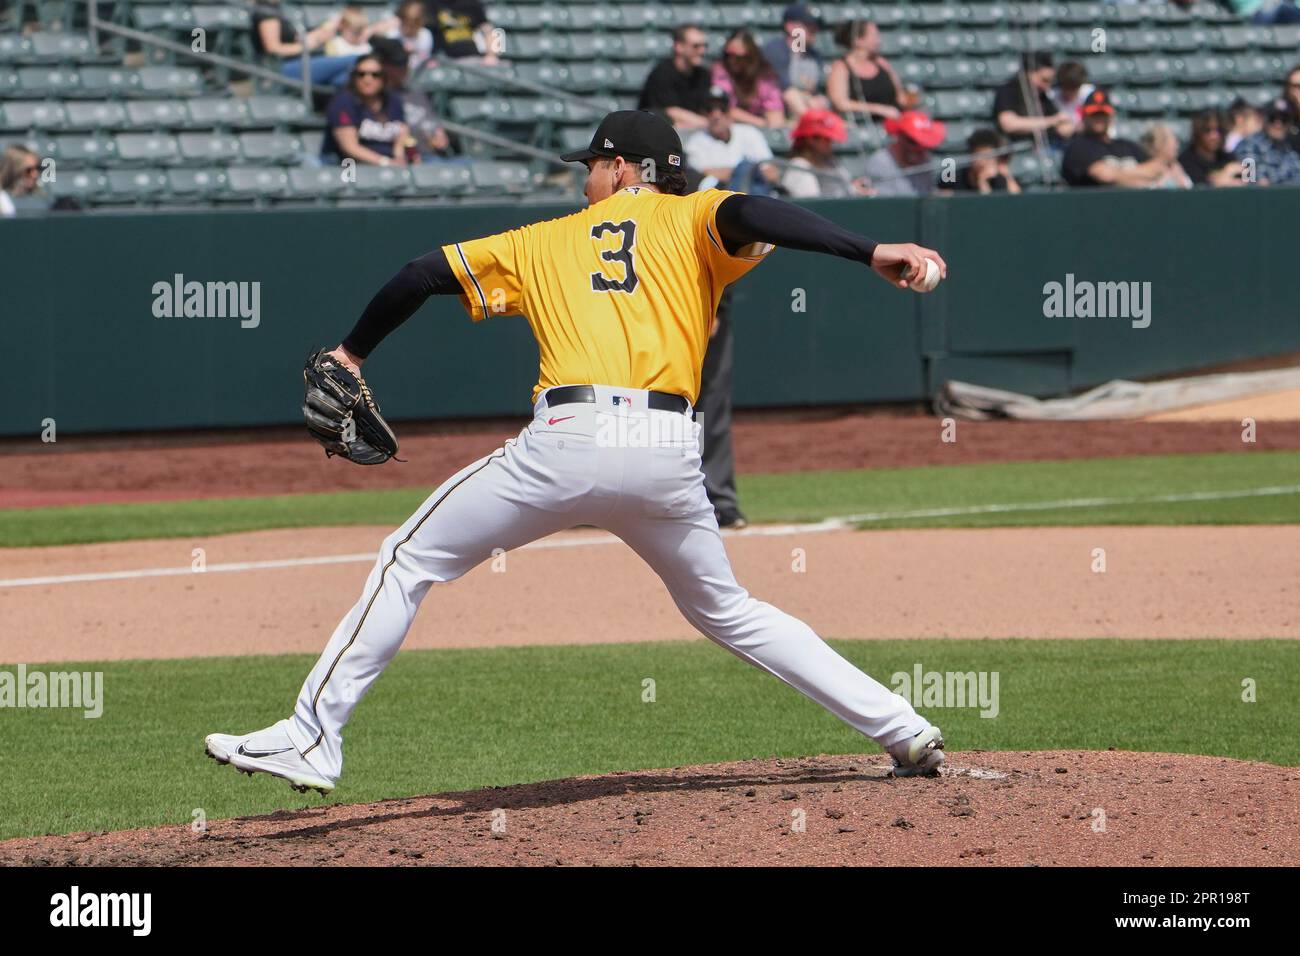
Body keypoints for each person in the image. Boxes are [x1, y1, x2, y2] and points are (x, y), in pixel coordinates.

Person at [204, 108, 951, 796]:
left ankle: (311, 738)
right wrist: (870, 250)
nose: (583, 177)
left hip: (571, 442)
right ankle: (901, 728)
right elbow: (756, 211)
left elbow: (421, 274)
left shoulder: (543, 240)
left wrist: (353, 353)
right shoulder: (696, 218)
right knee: (728, 609)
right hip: (666, 451)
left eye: (591, 165)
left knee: (409, 559)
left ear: (624, 168)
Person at [1061, 89, 1177, 187]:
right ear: (1084, 116)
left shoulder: (1126, 145)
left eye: (1103, 114)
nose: (1099, 118)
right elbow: (1104, 175)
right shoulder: (1078, 147)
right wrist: (1142, 179)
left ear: (1111, 116)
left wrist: (1119, 174)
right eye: (1094, 114)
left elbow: (1158, 168)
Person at [371, 37, 457, 160]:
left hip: (432, 154)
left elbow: (432, 121)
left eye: (406, 62)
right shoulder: (376, 97)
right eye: (397, 64)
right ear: (383, 65)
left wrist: (439, 133)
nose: (404, 68)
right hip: (406, 158)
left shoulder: (415, 91)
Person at [321, 54, 411, 166]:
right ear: (354, 77)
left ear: (383, 78)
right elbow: (350, 148)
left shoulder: (392, 100)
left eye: (375, 75)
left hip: (391, 164)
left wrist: (399, 156)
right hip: (353, 167)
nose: (367, 79)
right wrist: (386, 162)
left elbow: (402, 130)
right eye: (361, 74)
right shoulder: (342, 102)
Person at [684, 89, 779, 193]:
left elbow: (772, 173)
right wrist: (748, 172)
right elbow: (702, 177)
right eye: (709, 109)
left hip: (756, 193)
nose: (716, 115)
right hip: (721, 198)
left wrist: (735, 172)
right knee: (745, 168)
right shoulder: (695, 142)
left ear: (730, 112)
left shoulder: (749, 132)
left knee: (746, 169)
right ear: (704, 113)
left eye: (722, 109)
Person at [251, 1, 356, 87]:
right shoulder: (266, 10)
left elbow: (296, 40)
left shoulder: (280, 8)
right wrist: (306, 46)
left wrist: (318, 35)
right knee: (358, 60)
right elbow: (273, 49)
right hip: (280, 67)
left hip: (301, 61)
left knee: (345, 78)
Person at [826, 20, 909, 121]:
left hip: (894, 122)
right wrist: (879, 109)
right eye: (874, 36)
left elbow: (900, 97)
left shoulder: (882, 63)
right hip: (862, 126)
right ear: (858, 40)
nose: (879, 40)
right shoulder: (841, 67)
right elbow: (840, 103)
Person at [780, 108, 872, 197]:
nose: (831, 143)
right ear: (810, 139)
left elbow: (846, 188)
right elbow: (812, 204)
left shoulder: (830, 162)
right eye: (826, 139)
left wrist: (855, 190)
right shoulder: (799, 166)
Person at [638, 24, 713, 131]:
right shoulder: (662, 73)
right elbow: (670, 111)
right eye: (696, 46)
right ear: (678, 47)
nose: (702, 51)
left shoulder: (703, 75)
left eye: (704, 46)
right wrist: (707, 123)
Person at [993, 51, 1075, 145]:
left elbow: (1063, 126)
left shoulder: (1042, 96)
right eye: (1044, 80)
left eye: (1050, 82)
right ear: (1029, 73)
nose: (1047, 86)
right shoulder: (1008, 90)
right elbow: (1008, 123)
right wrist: (1051, 121)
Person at [761, 4, 826, 119]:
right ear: (790, 26)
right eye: (807, 25)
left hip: (807, 108)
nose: (814, 29)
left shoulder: (814, 55)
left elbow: (816, 91)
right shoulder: (775, 50)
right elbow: (784, 89)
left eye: (816, 25)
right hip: (779, 113)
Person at [710, 30, 786, 128]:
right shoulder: (721, 71)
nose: (732, 60)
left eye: (738, 57)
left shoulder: (765, 75)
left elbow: (775, 112)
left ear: (751, 57)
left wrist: (772, 122)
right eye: (728, 55)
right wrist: (762, 123)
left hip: (757, 133)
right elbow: (726, 109)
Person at [863, 110, 946, 196]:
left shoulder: (926, 161)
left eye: (925, 145)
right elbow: (885, 203)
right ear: (900, 136)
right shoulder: (880, 162)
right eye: (913, 141)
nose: (919, 149)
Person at [1235, 97, 1300, 185]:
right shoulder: (1249, 145)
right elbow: (1250, 181)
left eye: (1284, 119)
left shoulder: (1290, 147)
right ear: (1264, 119)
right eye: (1272, 118)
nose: (1278, 124)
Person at [940, 128, 1021, 193]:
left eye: (989, 157)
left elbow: (1014, 201)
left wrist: (983, 182)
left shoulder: (998, 180)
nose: (983, 162)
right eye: (980, 156)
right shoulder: (952, 176)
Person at [1178, 109, 1243, 187]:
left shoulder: (1228, 158)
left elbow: (1244, 184)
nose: (1214, 136)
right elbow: (1199, 187)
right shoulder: (1186, 160)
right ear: (1198, 132)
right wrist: (1226, 173)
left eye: (1218, 130)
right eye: (1208, 130)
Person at [424, 0, 499, 64]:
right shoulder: (432, 3)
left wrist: (491, 55)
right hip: (443, 60)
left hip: (471, 58)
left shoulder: (472, 3)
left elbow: (488, 30)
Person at [375, 0, 435, 73]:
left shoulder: (425, 34)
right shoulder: (392, 34)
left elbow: (424, 59)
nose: (409, 28)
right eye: (407, 23)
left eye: (415, 24)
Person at [1139, 124, 1193, 189]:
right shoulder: (1145, 169)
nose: (1177, 145)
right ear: (1159, 143)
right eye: (1174, 140)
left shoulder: (1176, 167)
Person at [0, 144, 42, 217]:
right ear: (13, 171)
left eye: (37, 168)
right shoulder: (2, 200)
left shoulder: (43, 200)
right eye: (28, 170)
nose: (35, 174)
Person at [1050, 60, 1094, 126]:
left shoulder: (1090, 94)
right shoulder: (1051, 96)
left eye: (1073, 88)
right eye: (1066, 88)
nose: (1069, 93)